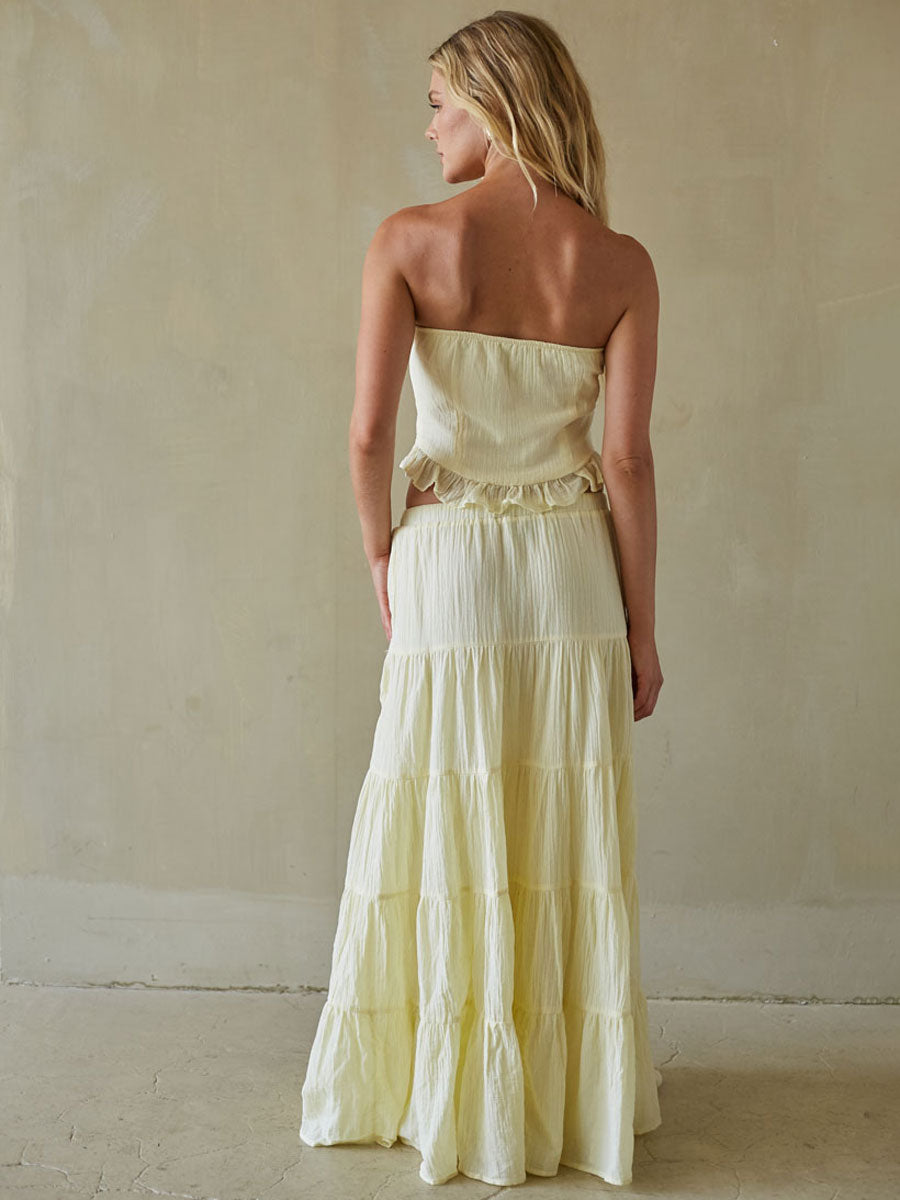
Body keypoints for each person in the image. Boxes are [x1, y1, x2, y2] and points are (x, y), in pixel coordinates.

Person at [299, 9, 663, 1188]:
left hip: (448, 561)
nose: (429, 127)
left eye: (440, 103)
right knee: (558, 823)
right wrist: (644, 629)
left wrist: (378, 554)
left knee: (439, 812)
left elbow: (368, 437)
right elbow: (626, 462)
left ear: (496, 104)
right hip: (572, 574)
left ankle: (442, 1090)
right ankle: (562, 1105)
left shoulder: (411, 240)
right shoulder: (620, 264)